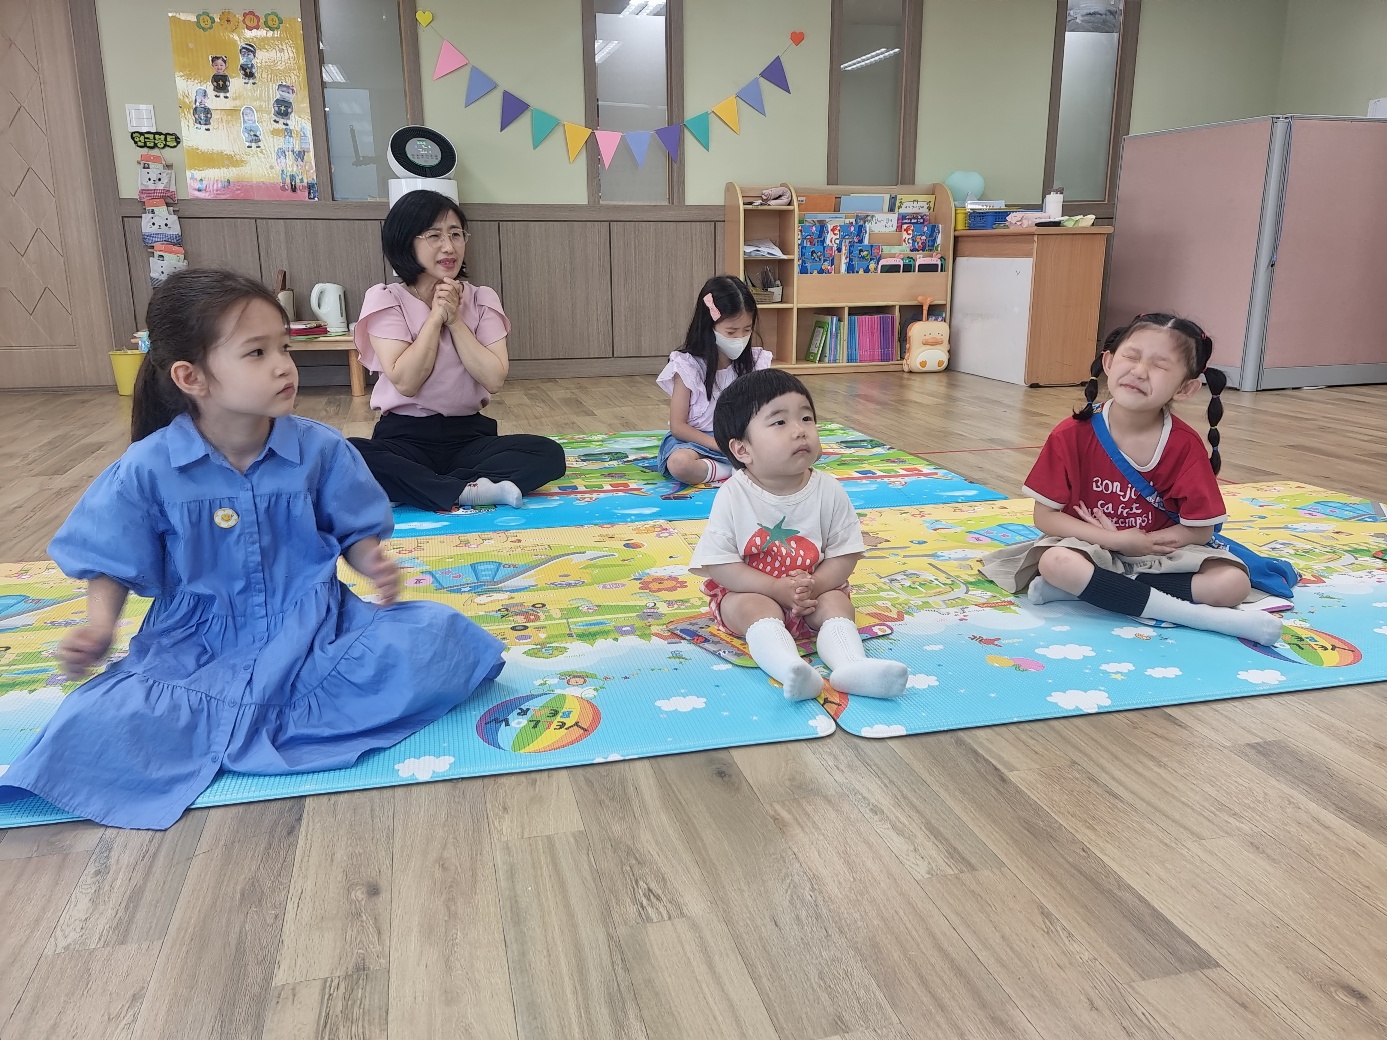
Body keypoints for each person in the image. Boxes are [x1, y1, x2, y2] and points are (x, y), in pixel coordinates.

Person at [0, 269, 505, 830]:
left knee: (440, 635)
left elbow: (351, 525)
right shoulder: (148, 466)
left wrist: (371, 563)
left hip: (317, 631)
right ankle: (237, 724)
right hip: (193, 647)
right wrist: (99, 629)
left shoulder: (319, 448)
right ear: (191, 377)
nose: (284, 365)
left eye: (283, 347)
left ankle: (254, 722)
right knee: (95, 719)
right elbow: (110, 558)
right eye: (257, 352)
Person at [979, 312, 1282, 645]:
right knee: (1056, 561)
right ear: (1108, 362)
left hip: (1160, 553)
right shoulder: (1070, 434)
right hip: (1090, 546)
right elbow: (1045, 517)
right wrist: (1116, 541)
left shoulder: (1184, 445)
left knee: (1232, 584)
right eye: (1131, 356)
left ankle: (1088, 590)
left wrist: (1145, 544)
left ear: (1185, 388)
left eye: (1159, 365)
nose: (1139, 371)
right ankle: (1200, 617)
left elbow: (1200, 530)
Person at [689, 369, 909, 701]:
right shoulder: (733, 494)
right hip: (752, 591)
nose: (799, 430)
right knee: (752, 608)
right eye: (779, 422)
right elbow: (720, 564)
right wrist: (774, 588)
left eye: (806, 418)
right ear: (742, 449)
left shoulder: (829, 490)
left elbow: (845, 553)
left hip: (812, 592)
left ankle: (851, 666)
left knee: (836, 603)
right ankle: (789, 668)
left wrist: (816, 585)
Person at [349, 190, 565, 512]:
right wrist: (435, 318)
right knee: (350, 454)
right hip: (403, 437)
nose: (449, 247)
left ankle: (418, 485)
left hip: (469, 438)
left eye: (456, 234)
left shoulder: (481, 298)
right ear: (405, 241)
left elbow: (493, 378)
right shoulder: (386, 298)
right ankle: (466, 490)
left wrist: (455, 320)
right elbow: (406, 382)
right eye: (434, 235)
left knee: (548, 454)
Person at [656, 275, 771, 487]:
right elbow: (678, 426)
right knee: (679, 464)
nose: (740, 338)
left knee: (795, 451)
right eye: (731, 332)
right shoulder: (688, 365)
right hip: (697, 442)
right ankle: (733, 470)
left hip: (742, 440)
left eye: (747, 330)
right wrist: (719, 444)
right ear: (709, 326)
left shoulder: (756, 362)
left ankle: (738, 467)